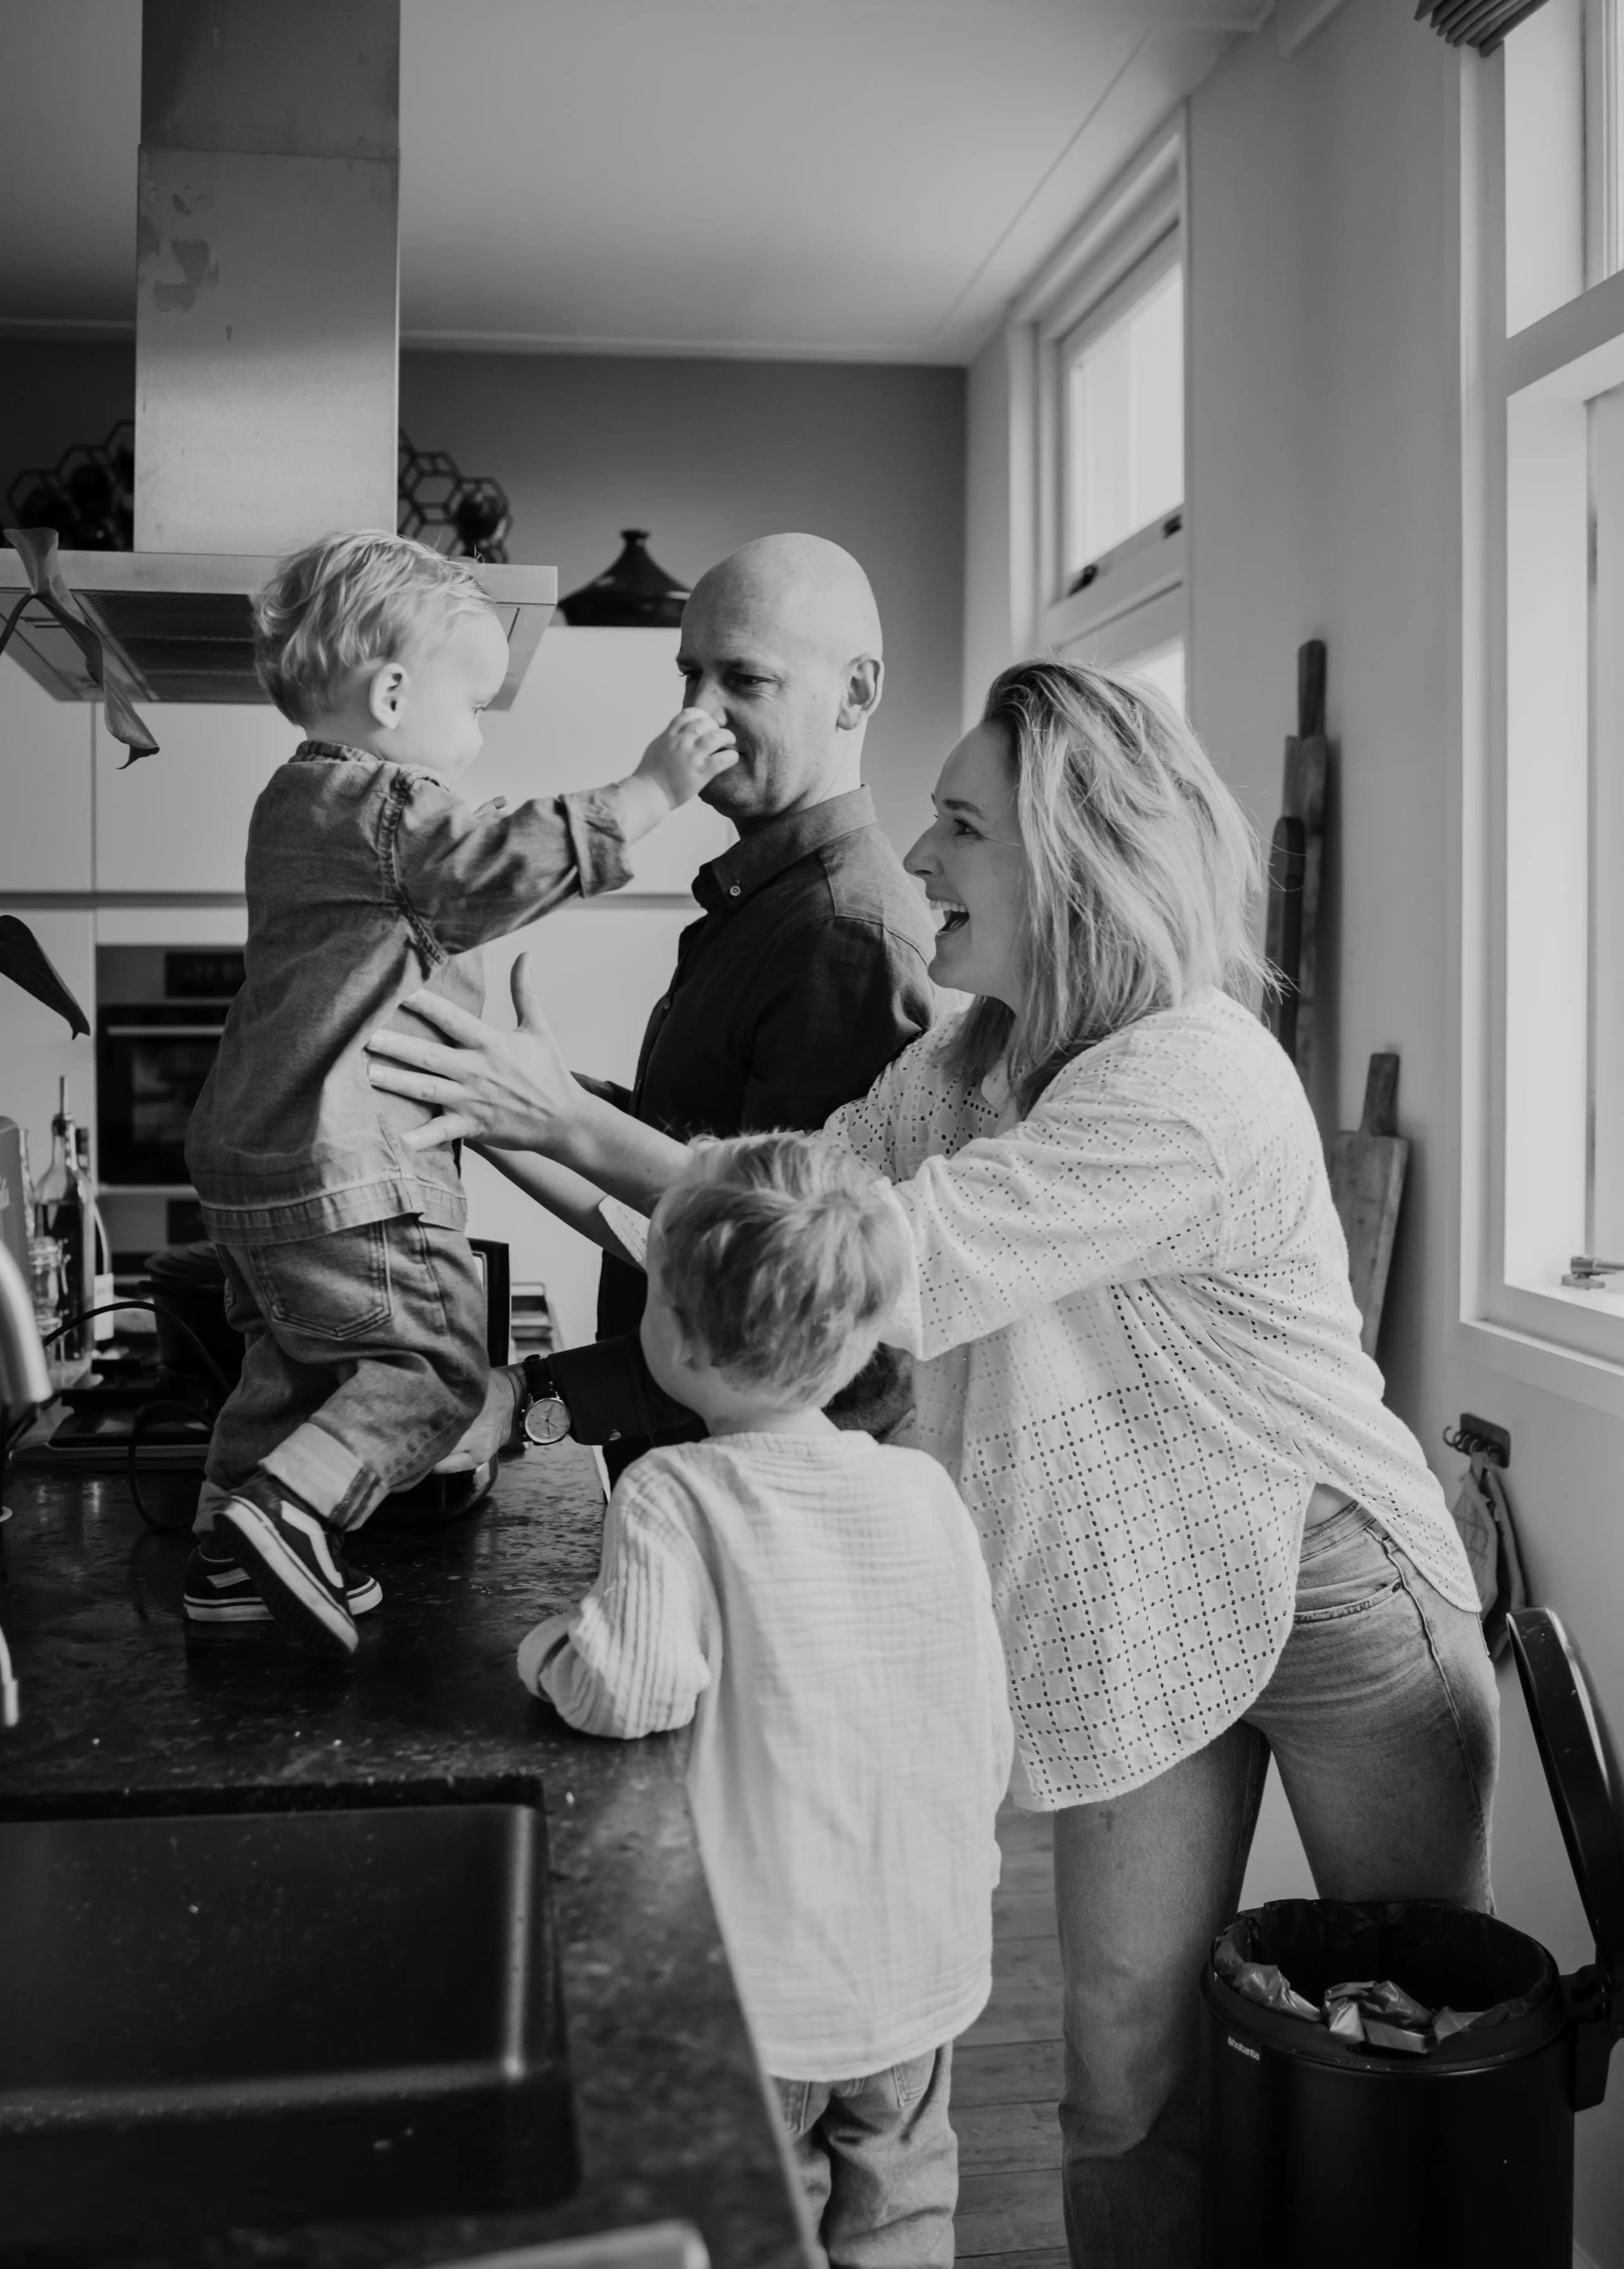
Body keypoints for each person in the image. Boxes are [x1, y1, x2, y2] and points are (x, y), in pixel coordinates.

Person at [366, 655, 1499, 2267]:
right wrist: (545, 1125)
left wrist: (560, 1115)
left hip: (1339, 1591)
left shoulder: (1195, 1071)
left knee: (1420, 2064)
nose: (916, 860)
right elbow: (789, 1210)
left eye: (960, 825)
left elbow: (883, 1257)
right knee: (1119, 2083)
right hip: (1137, 1594)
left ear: (1074, 854)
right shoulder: (964, 1059)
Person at [183, 529, 737, 1658]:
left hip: (248, 1166)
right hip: (357, 1167)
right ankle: (293, 1514)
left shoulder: (287, 807)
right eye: (475, 704)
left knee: (288, 1372)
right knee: (432, 1370)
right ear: (391, 693)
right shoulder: (391, 809)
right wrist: (650, 788)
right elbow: (501, 859)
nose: (480, 736)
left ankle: (228, 1563)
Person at [515, 1131, 1012, 2268]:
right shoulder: (925, 1491)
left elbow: (627, 1689)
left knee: (767, 2221)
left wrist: (547, 1653)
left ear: (676, 1338)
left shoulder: (672, 1491)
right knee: (902, 2212)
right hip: (920, 1957)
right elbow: (985, 1724)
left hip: (767, 1988)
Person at [478, 532, 937, 1474]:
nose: (696, 714)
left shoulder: (842, 932)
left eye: (745, 680)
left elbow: (791, 1294)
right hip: (691, 1478)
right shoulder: (766, 900)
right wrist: (489, 1090)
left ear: (857, 691)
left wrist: (536, 1400)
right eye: (689, 674)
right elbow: (681, 1173)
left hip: (760, 1506)